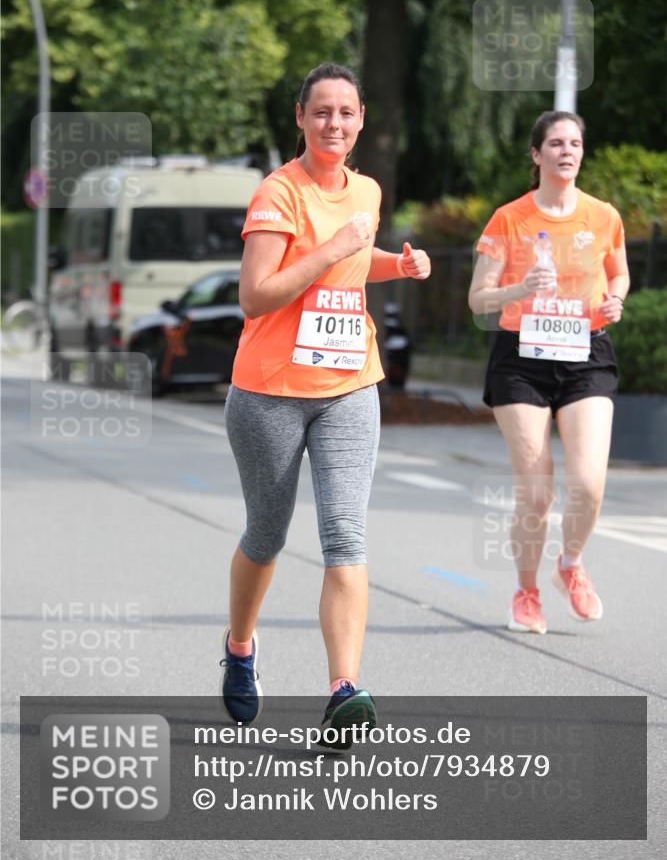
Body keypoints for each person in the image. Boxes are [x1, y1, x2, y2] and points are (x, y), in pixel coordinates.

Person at [220, 62, 431, 738]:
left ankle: (344, 689)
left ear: (361, 119)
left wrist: (397, 265)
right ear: (300, 118)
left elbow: (352, 263)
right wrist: (334, 245)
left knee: (345, 535)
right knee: (267, 534)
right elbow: (256, 295)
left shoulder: (366, 190)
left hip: (348, 385)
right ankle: (240, 647)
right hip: (270, 392)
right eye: (321, 112)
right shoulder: (278, 192)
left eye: (345, 112)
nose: (333, 123)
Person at [468, 110, 629, 634]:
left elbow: (619, 274)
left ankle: (570, 565)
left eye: (575, 143)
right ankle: (526, 591)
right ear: (536, 155)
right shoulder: (508, 219)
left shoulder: (603, 216)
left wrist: (615, 300)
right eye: (556, 143)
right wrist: (520, 289)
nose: (567, 151)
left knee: (589, 484)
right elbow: (478, 300)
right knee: (537, 492)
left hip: (586, 353)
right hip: (521, 360)